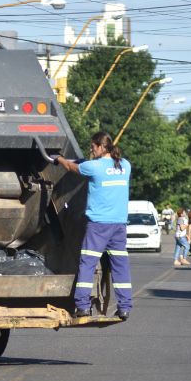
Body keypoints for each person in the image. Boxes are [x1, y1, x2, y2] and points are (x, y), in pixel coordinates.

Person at [53, 132, 132, 321]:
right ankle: (125, 307)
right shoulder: (125, 165)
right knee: (120, 265)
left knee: (87, 264)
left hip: (98, 225)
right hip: (119, 225)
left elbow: (72, 167)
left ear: (101, 147)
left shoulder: (94, 167)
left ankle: (82, 306)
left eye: (92, 147)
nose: (91, 150)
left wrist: (59, 158)